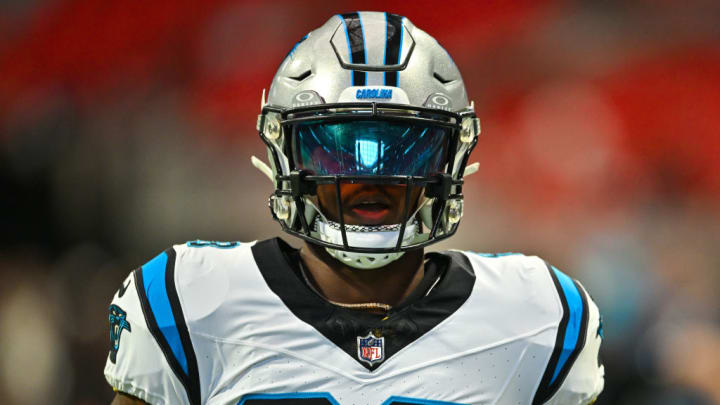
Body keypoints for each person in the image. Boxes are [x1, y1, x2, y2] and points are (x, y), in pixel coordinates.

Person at [105, 12, 604, 405]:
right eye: (336, 147)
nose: (370, 176)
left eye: (404, 148)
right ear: (288, 154)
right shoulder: (191, 300)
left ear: (446, 161)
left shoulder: (537, 315)